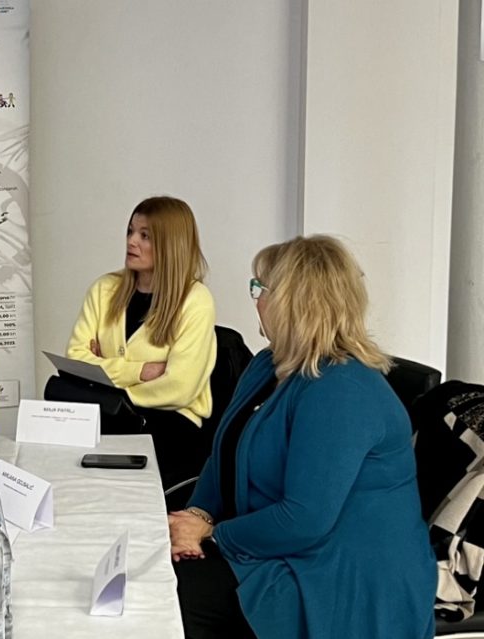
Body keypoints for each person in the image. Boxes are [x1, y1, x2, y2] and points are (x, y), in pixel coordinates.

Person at [170, 235, 436, 639]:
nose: (255, 299)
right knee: (155, 575)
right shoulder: (267, 365)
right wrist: (197, 515)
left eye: (260, 288)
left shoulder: (342, 389)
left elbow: (304, 519)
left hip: (340, 576)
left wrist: (211, 534)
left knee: (171, 598)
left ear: (293, 302)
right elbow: (224, 453)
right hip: (280, 547)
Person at [65, 196, 216, 486]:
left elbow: (179, 388)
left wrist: (106, 376)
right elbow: (75, 361)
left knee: (105, 475)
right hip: (110, 415)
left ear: (171, 244)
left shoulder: (195, 300)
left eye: (145, 235)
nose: (131, 241)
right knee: (61, 457)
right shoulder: (104, 289)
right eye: (130, 231)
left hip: (172, 423)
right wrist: (141, 371)